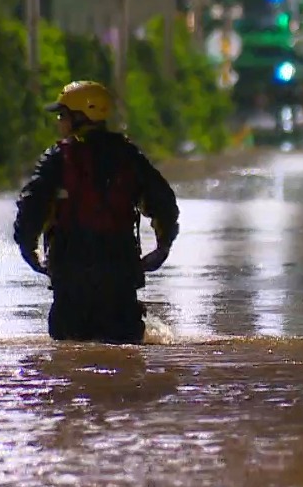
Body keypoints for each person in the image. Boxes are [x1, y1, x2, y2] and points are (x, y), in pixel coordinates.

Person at [13, 80, 180, 344]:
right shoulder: (129, 156)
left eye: (62, 115)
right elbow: (164, 203)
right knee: (126, 359)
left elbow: (31, 205)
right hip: (120, 275)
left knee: (69, 357)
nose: (59, 121)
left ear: (80, 117)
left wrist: (29, 250)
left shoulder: (58, 158)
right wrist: (163, 245)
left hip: (71, 276)